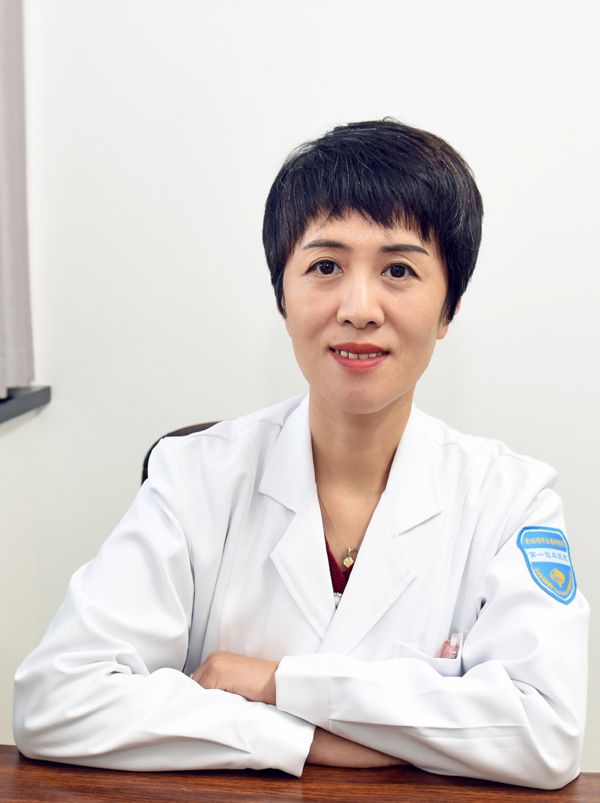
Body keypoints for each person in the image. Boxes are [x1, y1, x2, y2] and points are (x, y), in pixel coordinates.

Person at [13, 119, 588, 789]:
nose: (359, 308)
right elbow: (56, 699)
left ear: (449, 306)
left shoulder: (510, 500)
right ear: (282, 295)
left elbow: (545, 734)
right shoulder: (196, 474)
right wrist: (309, 736)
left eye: (399, 269)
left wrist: (277, 682)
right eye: (325, 266)